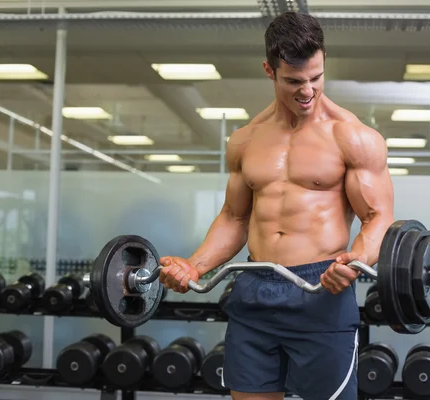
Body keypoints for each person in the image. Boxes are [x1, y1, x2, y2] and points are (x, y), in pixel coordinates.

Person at [159, 11, 395, 400]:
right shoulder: (246, 140)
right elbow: (234, 218)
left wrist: (353, 261)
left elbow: (378, 216)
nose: (307, 91)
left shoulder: (352, 137)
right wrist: (195, 265)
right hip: (254, 285)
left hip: (322, 287)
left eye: (316, 78)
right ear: (269, 70)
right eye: (293, 81)